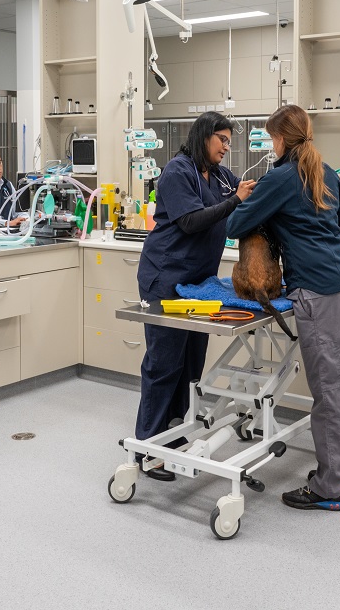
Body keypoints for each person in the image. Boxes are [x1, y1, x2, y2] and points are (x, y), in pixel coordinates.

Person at [225, 104, 340, 511]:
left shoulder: (281, 177)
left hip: (318, 289)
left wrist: (254, 202)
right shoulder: (326, 172)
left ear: (281, 139)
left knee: (329, 391)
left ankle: (329, 488)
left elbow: (235, 226)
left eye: (271, 138)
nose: (271, 145)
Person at [136, 112, 255, 480]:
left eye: (229, 141)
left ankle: (176, 434)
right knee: (164, 363)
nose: (226, 146)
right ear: (204, 136)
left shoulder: (219, 175)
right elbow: (190, 221)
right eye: (222, 138)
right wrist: (236, 200)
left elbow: (247, 194)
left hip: (198, 281)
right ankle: (147, 448)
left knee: (191, 364)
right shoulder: (178, 171)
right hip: (166, 277)